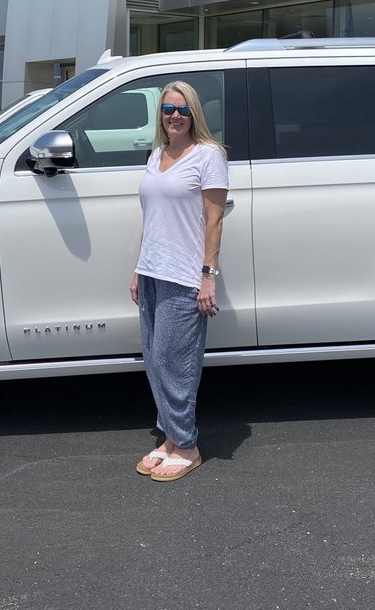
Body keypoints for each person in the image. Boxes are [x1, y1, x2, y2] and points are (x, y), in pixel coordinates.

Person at [130, 81, 229, 482]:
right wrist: (138, 268)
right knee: (155, 360)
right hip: (153, 271)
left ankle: (186, 445)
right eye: (169, 109)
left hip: (185, 275)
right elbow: (152, 219)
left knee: (175, 362)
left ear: (194, 115)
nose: (175, 116)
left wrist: (208, 278)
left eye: (183, 110)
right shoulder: (157, 155)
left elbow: (215, 221)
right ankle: (170, 438)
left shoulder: (209, 156)